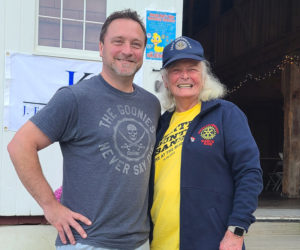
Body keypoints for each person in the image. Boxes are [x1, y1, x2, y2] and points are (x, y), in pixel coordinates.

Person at [7, 9, 161, 250]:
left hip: (139, 242)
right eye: (118, 41)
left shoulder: (151, 104)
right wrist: (51, 207)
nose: (127, 51)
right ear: (101, 48)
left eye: (136, 44)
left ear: (143, 51)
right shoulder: (76, 98)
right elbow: (19, 145)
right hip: (88, 242)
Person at [149, 36, 263, 250]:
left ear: (203, 75)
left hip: (213, 243)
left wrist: (237, 229)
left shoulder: (226, 115)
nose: (184, 76)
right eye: (175, 70)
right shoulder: (161, 124)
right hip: (161, 243)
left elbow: (249, 173)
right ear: (165, 80)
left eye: (192, 69)